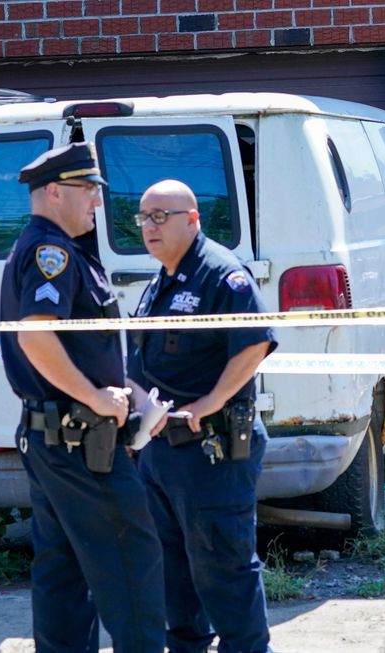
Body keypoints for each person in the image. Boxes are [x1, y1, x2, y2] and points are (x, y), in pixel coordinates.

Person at [0, 142, 165, 652]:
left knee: (64, 572)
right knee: (131, 562)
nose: (96, 202)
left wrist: (132, 394)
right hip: (79, 444)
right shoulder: (50, 252)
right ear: (54, 191)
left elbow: (83, 344)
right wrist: (94, 397)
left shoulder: (65, 251)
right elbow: (36, 337)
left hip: (59, 439)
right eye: (88, 190)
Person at [127, 179, 277, 653]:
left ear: (192, 219)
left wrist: (211, 401)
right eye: (143, 217)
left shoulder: (220, 273)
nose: (149, 227)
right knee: (172, 567)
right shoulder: (162, 279)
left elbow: (255, 341)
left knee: (222, 563)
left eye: (159, 216)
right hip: (162, 450)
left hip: (212, 448)